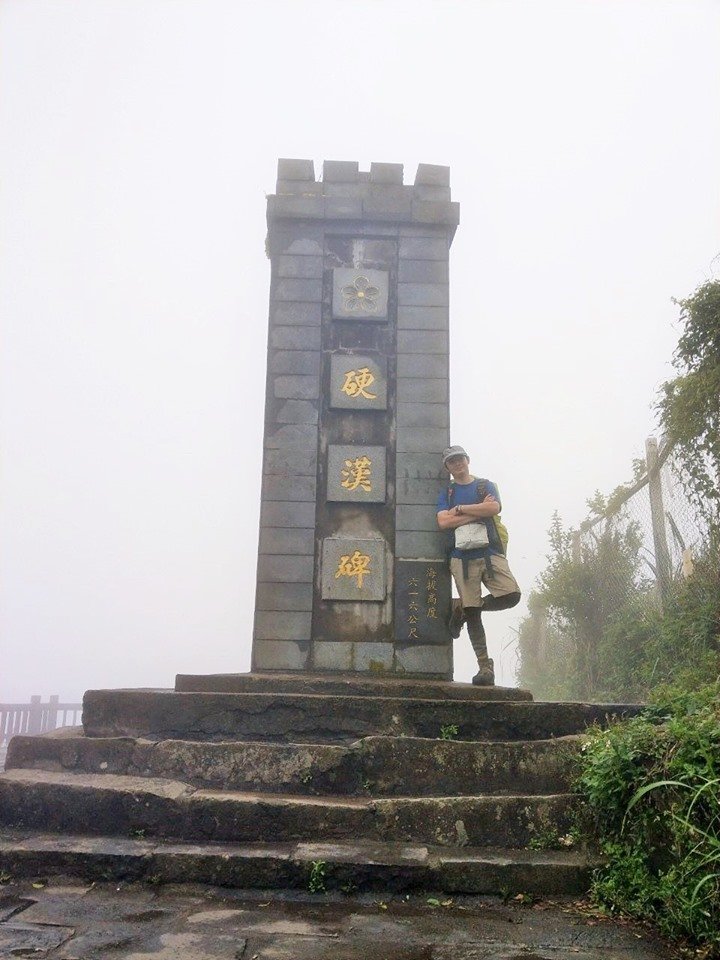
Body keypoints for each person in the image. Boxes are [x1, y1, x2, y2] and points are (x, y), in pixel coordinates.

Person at [436, 445, 521, 685]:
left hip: (490, 553)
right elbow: (443, 521)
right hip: (461, 557)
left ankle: (462, 608)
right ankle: (485, 667)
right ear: (447, 468)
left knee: (511, 595)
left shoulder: (485, 486)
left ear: (468, 460)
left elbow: (493, 508)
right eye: (452, 462)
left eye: (460, 459)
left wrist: (461, 510)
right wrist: (478, 512)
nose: (457, 464)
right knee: (474, 614)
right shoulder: (448, 492)